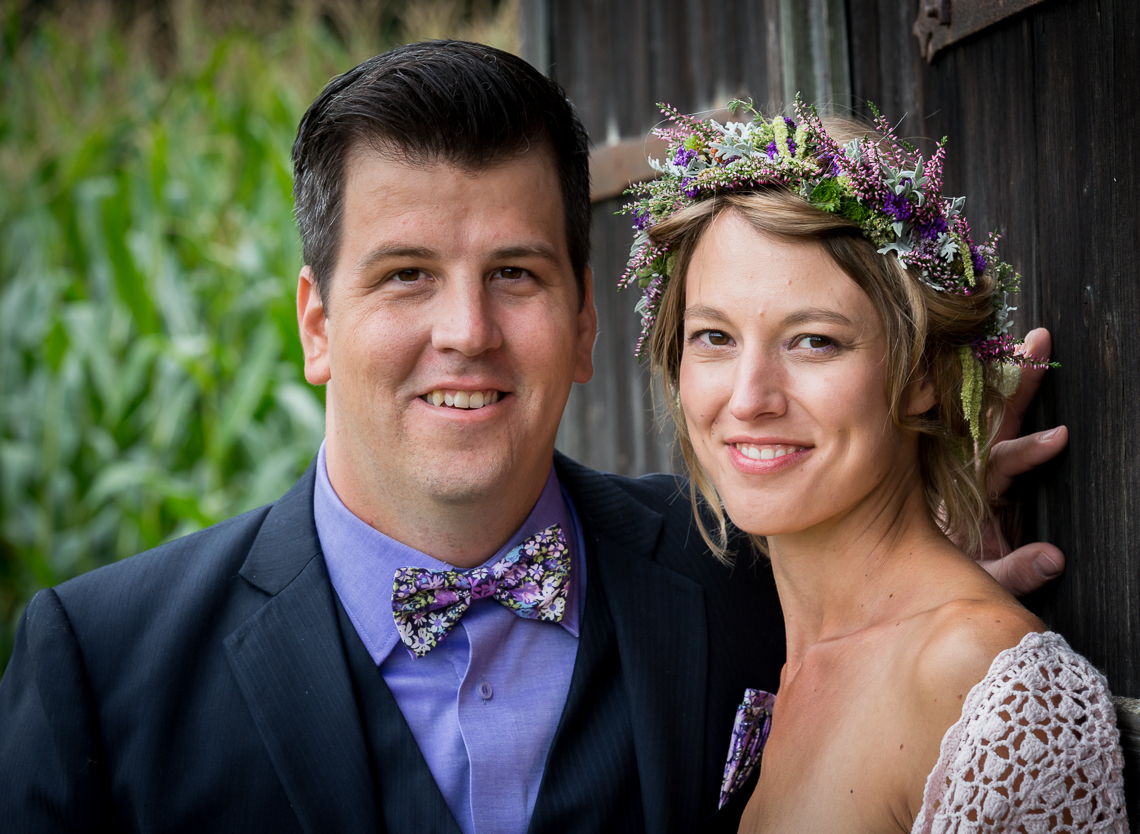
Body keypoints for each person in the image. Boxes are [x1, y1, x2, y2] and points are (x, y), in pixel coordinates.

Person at [0, 43, 1068, 833]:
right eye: (405, 274)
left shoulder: (751, 577)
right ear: (316, 325)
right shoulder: (98, 669)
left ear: (585, 323)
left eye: (514, 274)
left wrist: (927, 501)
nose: (465, 333)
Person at [625, 100, 1127, 832]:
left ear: (923, 371)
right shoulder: (777, 661)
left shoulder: (981, 683)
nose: (749, 398)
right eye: (714, 337)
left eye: (814, 341)